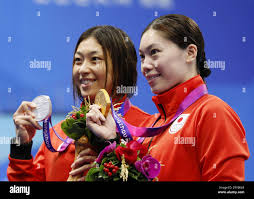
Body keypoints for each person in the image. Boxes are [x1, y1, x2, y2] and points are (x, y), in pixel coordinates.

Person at [86, 14, 250, 181]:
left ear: (190, 53)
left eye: (154, 52)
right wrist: (110, 139)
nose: (145, 66)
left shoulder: (212, 112)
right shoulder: (150, 126)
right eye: (142, 57)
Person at [7, 25, 150, 181]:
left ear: (122, 66)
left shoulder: (146, 130)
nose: (82, 69)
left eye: (95, 59)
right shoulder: (58, 136)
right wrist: (21, 147)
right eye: (78, 60)